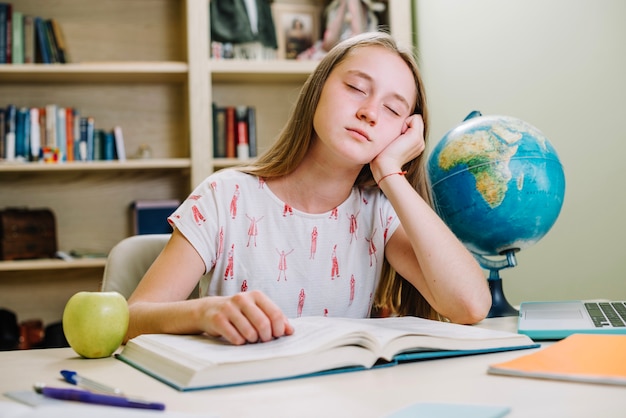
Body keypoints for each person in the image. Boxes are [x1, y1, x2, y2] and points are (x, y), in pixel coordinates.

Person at [126, 32, 491, 346]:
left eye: (393, 110)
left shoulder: (379, 213)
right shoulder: (224, 196)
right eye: (355, 88)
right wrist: (203, 312)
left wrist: (391, 174)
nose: (370, 112)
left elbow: (470, 306)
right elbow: (132, 319)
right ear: (317, 90)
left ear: (404, 133)